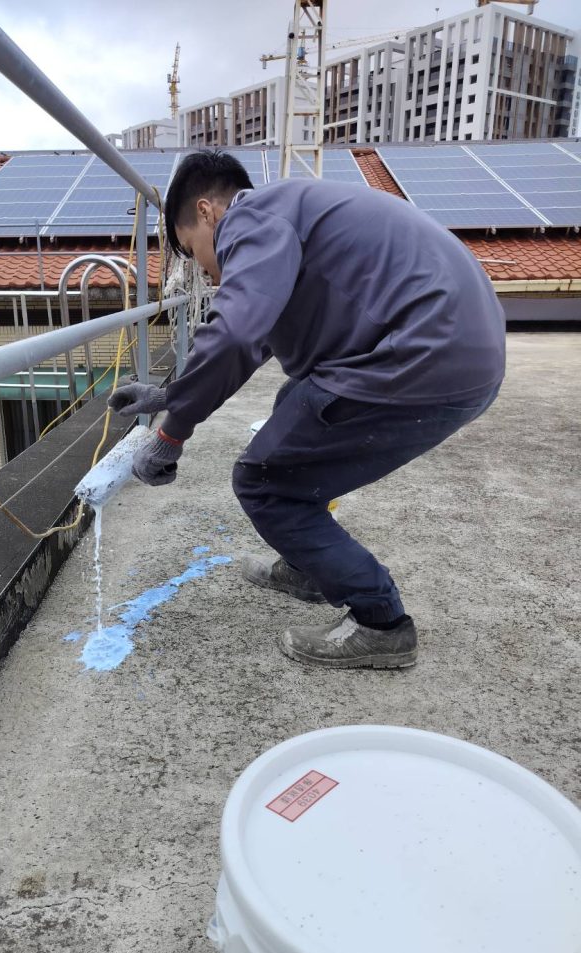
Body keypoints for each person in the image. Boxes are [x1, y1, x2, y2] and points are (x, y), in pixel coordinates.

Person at [107, 150, 505, 669]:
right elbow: (262, 331)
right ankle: (310, 567)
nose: (205, 270)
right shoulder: (290, 210)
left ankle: (381, 623)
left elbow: (236, 333)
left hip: (423, 358)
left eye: (191, 249)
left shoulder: (248, 218)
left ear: (207, 212)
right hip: (454, 351)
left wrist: (172, 432)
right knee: (291, 406)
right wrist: (170, 394)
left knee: (264, 483)